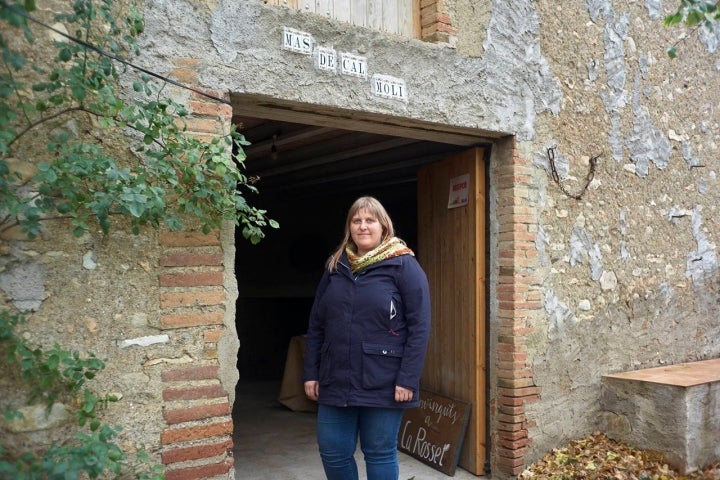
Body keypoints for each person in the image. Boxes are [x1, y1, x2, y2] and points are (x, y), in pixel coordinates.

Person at [303, 196, 431, 480]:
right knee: (333, 452)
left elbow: (419, 326)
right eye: (356, 220)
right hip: (335, 376)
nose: (363, 226)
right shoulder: (336, 266)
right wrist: (311, 372)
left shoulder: (403, 266)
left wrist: (407, 378)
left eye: (369, 220)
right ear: (349, 227)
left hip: (384, 380)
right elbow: (317, 324)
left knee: (379, 452)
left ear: (383, 226)